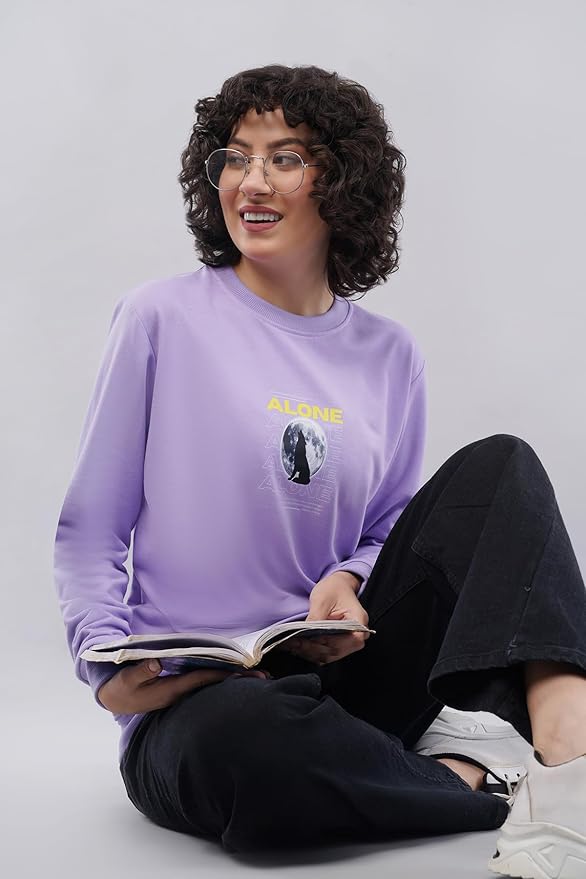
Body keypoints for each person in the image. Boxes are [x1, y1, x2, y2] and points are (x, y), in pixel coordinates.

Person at [53, 64, 586, 875]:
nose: (251, 182)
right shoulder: (160, 318)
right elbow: (90, 529)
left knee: (502, 467)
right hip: (197, 701)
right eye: (235, 157)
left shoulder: (390, 354)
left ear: (342, 182)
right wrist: (105, 666)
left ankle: (570, 761)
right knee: (248, 746)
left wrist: (349, 576)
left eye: (285, 158)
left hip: (346, 668)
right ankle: (470, 778)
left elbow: (390, 527)